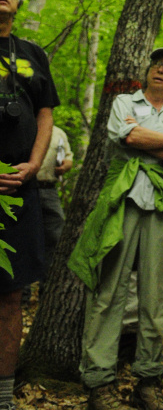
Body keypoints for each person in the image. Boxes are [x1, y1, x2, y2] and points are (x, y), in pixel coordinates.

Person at [69, 47, 163, 410]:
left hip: (162, 205)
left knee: (152, 296)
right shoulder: (124, 101)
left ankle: (147, 379)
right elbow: (126, 137)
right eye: (156, 65)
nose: (160, 71)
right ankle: (99, 381)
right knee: (109, 291)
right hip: (122, 200)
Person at [0, 0, 60, 410]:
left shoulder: (33, 55)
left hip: (19, 192)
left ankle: (3, 408)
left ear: (20, 1)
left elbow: (45, 113)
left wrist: (36, 163)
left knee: (11, 297)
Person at [35, 124, 73, 291]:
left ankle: (48, 289)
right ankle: (23, 295)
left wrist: (65, 166)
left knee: (56, 238)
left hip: (49, 189)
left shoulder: (58, 133)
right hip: (24, 190)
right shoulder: (24, 127)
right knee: (23, 238)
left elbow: (68, 157)